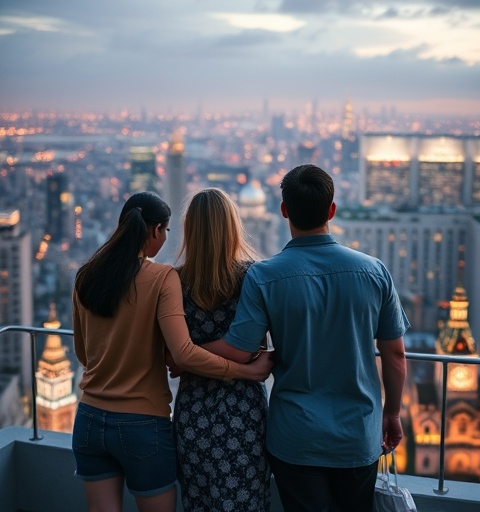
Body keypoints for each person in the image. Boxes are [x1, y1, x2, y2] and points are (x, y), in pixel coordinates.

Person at [203, 165, 409, 512]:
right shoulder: (374, 271)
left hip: (295, 436)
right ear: (332, 210)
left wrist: (182, 352)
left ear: (284, 211)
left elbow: (239, 350)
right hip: (358, 435)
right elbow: (395, 356)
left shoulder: (264, 276)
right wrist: (392, 413)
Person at [71, 191, 272, 512]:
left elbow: (84, 353)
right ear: (155, 231)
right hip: (155, 420)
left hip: (92, 418)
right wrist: (247, 370)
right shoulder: (165, 278)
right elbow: (186, 352)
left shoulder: (87, 275)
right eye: (164, 231)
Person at [171, 188, 271, 512]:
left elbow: (173, 355)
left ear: (190, 231)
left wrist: (188, 357)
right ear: (232, 226)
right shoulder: (252, 277)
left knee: (198, 503)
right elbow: (255, 349)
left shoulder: (174, 280)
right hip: (242, 412)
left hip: (192, 412)